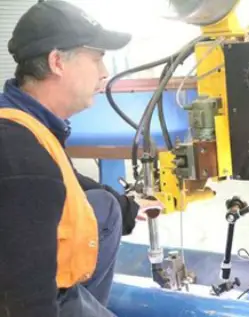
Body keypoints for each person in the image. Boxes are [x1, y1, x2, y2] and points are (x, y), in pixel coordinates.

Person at [0, 1, 163, 316]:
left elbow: (65, 178)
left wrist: (128, 205)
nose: (104, 73)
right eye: (97, 59)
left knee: (105, 207)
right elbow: (21, 298)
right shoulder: (22, 160)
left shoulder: (21, 120)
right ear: (57, 62)